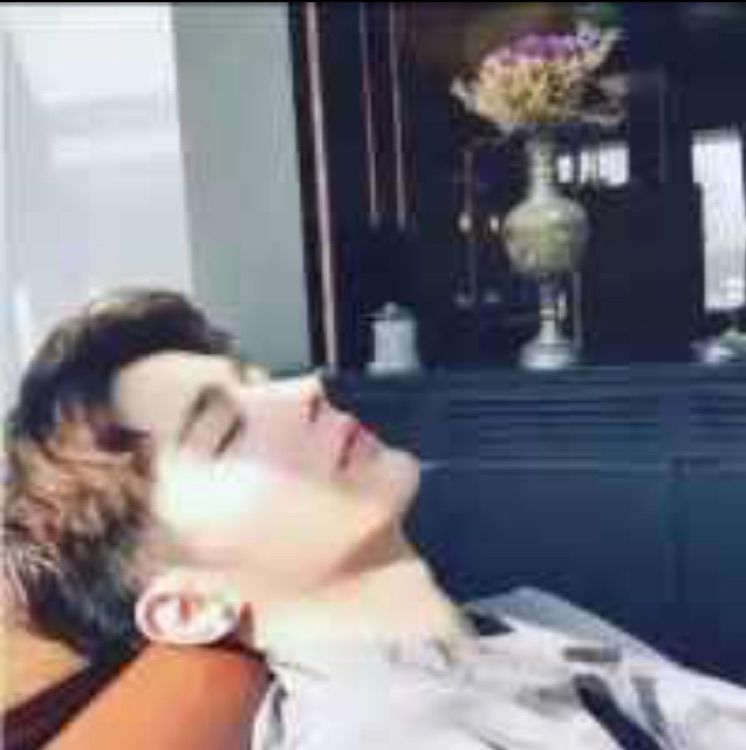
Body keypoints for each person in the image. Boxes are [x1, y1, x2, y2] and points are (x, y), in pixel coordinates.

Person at [5, 288, 746, 749]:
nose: (305, 388)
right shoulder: (392, 732)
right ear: (193, 606)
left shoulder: (512, 615)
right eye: (224, 431)